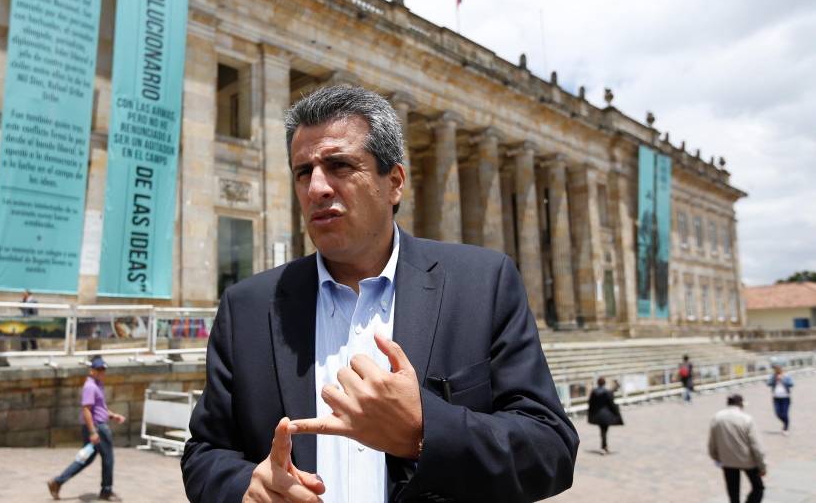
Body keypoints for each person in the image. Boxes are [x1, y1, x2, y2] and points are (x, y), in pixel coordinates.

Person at [181, 85, 579, 503]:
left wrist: (425, 432)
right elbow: (204, 452)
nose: (316, 187)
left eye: (338, 165)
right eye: (303, 171)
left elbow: (550, 449)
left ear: (394, 182)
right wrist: (246, 488)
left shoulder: (483, 284)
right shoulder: (248, 307)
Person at [47, 356, 126, 501]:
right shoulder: (90, 386)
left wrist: (113, 416)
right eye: (99, 369)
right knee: (108, 458)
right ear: (92, 370)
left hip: (97, 425)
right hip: (98, 427)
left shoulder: (98, 384)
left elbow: (100, 408)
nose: (102, 372)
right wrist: (93, 432)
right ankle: (106, 491)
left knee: (86, 459)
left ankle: (57, 482)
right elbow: (87, 410)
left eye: (104, 369)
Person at [708, 394, 766, 503]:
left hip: (727, 460)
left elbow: (712, 441)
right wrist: (762, 466)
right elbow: (756, 446)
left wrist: (716, 457)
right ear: (740, 404)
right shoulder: (746, 419)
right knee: (758, 487)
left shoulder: (717, 417)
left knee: (733, 492)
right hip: (748, 460)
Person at [587, 377, 623, 454]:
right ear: (604, 383)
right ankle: (604, 446)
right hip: (606, 415)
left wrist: (591, 413)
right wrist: (616, 413)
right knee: (604, 431)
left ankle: (604, 446)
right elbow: (611, 404)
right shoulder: (607, 392)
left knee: (603, 431)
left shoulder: (594, 392)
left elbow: (590, 403)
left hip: (598, 414)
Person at [766, 365, 793, 434]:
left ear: (781, 369)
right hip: (776, 398)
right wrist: (775, 379)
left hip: (785, 398)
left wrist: (782, 380)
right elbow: (768, 384)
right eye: (775, 370)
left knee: (784, 414)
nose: (777, 371)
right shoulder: (773, 376)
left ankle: (786, 428)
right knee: (777, 413)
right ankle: (785, 423)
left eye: (778, 370)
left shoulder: (786, 376)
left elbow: (791, 384)